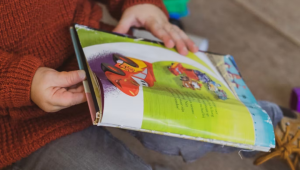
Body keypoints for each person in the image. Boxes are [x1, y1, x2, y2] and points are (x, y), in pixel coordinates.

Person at [0, 0, 283, 169]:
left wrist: (140, 3)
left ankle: (273, 126)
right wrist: (21, 81)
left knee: (200, 115)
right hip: (19, 120)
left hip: (94, 50)